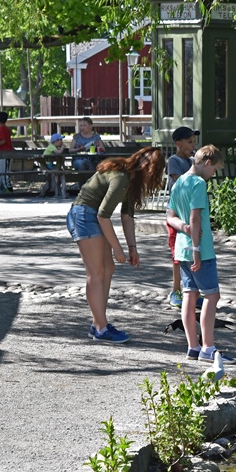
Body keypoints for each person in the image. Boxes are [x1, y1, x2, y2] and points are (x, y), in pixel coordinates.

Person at [65, 147, 165, 343]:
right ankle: (101, 328)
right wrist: (118, 249)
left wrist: (132, 248)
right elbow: (103, 216)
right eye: (154, 172)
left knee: (108, 268)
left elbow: (127, 217)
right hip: (84, 215)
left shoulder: (130, 180)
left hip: (93, 216)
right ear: (145, 167)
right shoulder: (121, 178)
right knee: (96, 272)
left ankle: (98, 323)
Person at [166, 144, 235, 363]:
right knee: (212, 296)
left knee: (189, 295)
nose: (212, 174)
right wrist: (196, 248)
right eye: (214, 169)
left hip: (182, 249)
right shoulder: (197, 183)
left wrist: (184, 229)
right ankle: (208, 348)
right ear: (207, 162)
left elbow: (170, 217)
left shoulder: (178, 183)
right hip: (200, 251)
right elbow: (195, 218)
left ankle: (192, 347)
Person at [166, 126, 199, 307]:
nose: (193, 145)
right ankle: (175, 290)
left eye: (194, 141)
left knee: (195, 253)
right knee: (178, 255)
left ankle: (193, 291)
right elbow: (181, 182)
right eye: (189, 142)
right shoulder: (174, 160)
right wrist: (196, 167)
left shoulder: (194, 160)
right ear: (178, 143)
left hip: (192, 214)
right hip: (177, 215)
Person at [39, 133, 69, 197]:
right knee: (61, 174)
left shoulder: (53, 147)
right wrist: (63, 147)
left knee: (60, 173)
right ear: (56, 141)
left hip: (49, 165)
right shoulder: (51, 147)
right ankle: (61, 192)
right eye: (61, 140)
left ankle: (59, 192)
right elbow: (59, 153)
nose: (62, 142)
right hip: (47, 166)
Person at [0, 111, 14, 193]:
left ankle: (9, 189)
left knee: (4, 172)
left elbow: (3, 141)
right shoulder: (5, 128)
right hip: (2, 153)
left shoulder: (1, 129)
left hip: (5, 153)